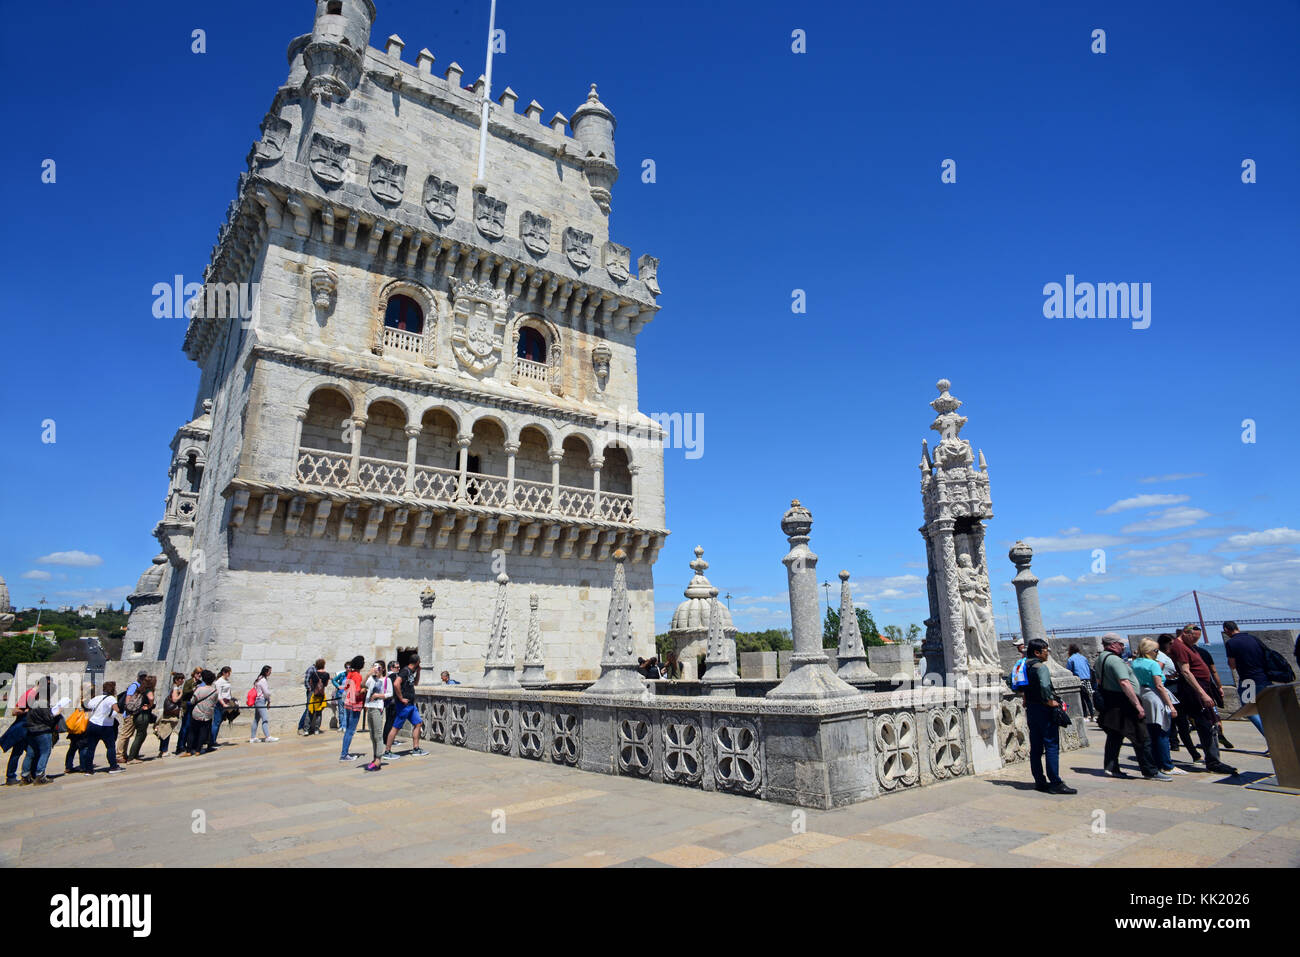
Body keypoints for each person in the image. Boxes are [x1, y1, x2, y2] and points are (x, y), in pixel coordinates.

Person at [1166, 625, 1237, 775]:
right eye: (1194, 638)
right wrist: (1202, 693)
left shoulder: (1187, 646)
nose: (1195, 641)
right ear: (1185, 633)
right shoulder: (1179, 647)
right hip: (1195, 690)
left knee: (1210, 723)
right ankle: (1213, 762)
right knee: (1206, 724)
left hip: (1200, 687)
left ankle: (1213, 760)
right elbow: (1185, 671)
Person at [1096, 634, 1168, 780]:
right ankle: (1150, 770)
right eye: (1121, 644)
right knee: (1141, 736)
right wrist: (1137, 704)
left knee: (1115, 735)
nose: (1123, 647)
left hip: (1111, 701)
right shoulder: (1115, 660)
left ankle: (1111, 767)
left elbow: (1098, 680)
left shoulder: (1100, 659)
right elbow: (1124, 682)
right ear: (1112, 645)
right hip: (1124, 702)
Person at [1022, 639, 1077, 794]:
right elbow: (1045, 686)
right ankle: (1055, 782)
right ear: (1037, 652)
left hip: (1031, 709)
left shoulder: (1024, 666)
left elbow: (1023, 688)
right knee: (1051, 745)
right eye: (1045, 650)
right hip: (1044, 709)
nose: (1048, 653)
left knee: (1036, 748)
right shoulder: (1041, 668)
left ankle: (1039, 781)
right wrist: (1050, 702)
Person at [1132, 639, 1185, 775]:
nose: (1157, 653)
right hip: (1156, 697)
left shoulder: (1134, 663)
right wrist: (1171, 706)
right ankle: (1167, 765)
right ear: (1149, 651)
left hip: (1143, 695)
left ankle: (1156, 762)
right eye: (1156, 650)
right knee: (1163, 731)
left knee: (1151, 732)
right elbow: (1160, 686)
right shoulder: (1153, 664)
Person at [1223, 621, 1271, 738]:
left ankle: (1270, 738)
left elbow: (1232, 665)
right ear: (1237, 627)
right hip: (1264, 678)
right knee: (1267, 710)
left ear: (1226, 630)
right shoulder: (1253, 638)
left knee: (1248, 709)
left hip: (1248, 681)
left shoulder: (1231, 643)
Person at [1158, 634, 1200, 761]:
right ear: (1165, 644)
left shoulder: (1170, 655)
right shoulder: (1161, 657)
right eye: (1171, 643)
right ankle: (1194, 754)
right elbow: (1157, 675)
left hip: (1177, 693)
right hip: (1172, 694)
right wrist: (1168, 679)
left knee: (1175, 724)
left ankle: (1175, 746)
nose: (1174, 645)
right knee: (1182, 725)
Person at [384, 654, 426, 759]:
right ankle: (387, 751)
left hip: (411, 705)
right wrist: (401, 698)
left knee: (418, 723)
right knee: (396, 727)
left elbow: (415, 683)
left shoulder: (411, 672)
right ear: (417, 662)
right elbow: (396, 684)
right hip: (404, 705)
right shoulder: (404, 671)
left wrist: (419, 672)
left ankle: (416, 748)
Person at [19, 678, 59, 785]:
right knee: (45, 753)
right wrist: (56, 713)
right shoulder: (43, 703)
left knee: (30, 754)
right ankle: (40, 775)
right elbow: (49, 718)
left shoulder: (34, 703)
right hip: (43, 731)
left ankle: (25, 776)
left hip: (31, 732)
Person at [82, 682, 124, 774]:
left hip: (92, 724)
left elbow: (89, 705)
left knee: (91, 748)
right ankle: (113, 767)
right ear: (113, 690)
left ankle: (88, 770)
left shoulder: (96, 698)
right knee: (110, 747)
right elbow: (117, 709)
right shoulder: (111, 698)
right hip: (106, 727)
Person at [182, 671, 219, 756]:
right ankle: (198, 750)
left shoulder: (200, 689)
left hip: (197, 713)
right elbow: (215, 701)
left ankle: (188, 751)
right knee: (203, 732)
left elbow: (192, 701)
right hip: (208, 714)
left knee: (192, 732)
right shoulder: (215, 691)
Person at [2, 683, 32, 785]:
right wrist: (26, 711)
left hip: (27, 730)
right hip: (21, 730)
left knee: (31, 752)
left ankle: (28, 774)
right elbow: (14, 712)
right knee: (17, 753)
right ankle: (11, 776)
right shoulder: (28, 695)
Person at [363, 662, 390, 771]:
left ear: (383, 669)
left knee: (378, 734)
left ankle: (378, 760)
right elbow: (362, 685)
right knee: (372, 735)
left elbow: (389, 693)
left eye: (378, 667)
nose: (376, 669)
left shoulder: (386, 680)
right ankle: (375, 758)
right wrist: (367, 674)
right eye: (374, 666)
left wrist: (378, 695)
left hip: (378, 707)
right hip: (369, 707)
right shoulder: (371, 679)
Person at [339, 656, 365, 762]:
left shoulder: (350, 674)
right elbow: (357, 692)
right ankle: (344, 754)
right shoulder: (358, 676)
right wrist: (364, 690)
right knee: (350, 731)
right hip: (355, 705)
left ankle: (344, 753)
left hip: (348, 703)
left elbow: (346, 688)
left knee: (348, 731)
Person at [126, 675, 158, 762]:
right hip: (143, 716)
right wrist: (150, 705)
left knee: (141, 735)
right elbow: (151, 698)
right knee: (140, 736)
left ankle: (135, 755)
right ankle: (132, 757)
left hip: (137, 715)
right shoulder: (148, 690)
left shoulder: (140, 689)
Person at [174, 667, 202, 755]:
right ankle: (180, 746)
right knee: (185, 727)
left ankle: (190, 744)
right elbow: (185, 692)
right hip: (188, 706)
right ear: (194, 673)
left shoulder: (200, 683)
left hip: (196, 707)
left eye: (200, 673)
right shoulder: (189, 682)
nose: (199, 675)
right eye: (198, 673)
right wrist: (193, 689)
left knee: (192, 727)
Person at [155, 673, 184, 756]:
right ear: (176, 680)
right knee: (167, 731)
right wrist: (181, 694)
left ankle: (162, 750)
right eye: (180, 679)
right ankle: (164, 750)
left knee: (165, 730)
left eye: (182, 679)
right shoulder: (175, 688)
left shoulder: (173, 687)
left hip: (168, 711)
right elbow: (175, 700)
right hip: (171, 712)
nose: (182, 680)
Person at [1065, 643, 1094, 720]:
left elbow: (1069, 671)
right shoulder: (1083, 657)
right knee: (1088, 699)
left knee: (1081, 699)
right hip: (1087, 679)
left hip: (1078, 680)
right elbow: (1088, 667)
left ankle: (1085, 716)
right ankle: (1092, 715)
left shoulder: (1071, 659)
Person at [249, 666, 278, 742]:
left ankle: (253, 737)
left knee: (256, 719)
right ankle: (268, 737)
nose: (270, 673)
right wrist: (269, 700)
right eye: (269, 671)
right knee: (265, 719)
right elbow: (266, 693)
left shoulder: (259, 679)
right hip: (261, 701)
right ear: (266, 672)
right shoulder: (263, 680)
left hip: (257, 701)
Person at [299, 659, 326, 735]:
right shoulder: (311, 669)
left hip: (318, 692)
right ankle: (301, 727)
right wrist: (310, 690)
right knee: (309, 709)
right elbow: (307, 681)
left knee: (316, 709)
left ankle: (311, 728)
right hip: (312, 692)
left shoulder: (318, 671)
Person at [211, 666, 234, 748]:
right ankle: (212, 741)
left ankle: (214, 740)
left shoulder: (226, 681)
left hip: (226, 702)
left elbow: (228, 692)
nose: (229, 674)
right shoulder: (219, 682)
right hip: (220, 703)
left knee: (219, 722)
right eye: (228, 672)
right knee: (216, 722)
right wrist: (223, 704)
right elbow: (219, 694)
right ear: (224, 672)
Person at [382, 660, 400, 743]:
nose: (398, 668)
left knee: (388, 721)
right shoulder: (393, 676)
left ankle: (386, 739)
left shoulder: (387, 676)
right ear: (391, 668)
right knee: (391, 721)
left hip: (388, 702)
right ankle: (388, 740)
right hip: (392, 702)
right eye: (396, 667)